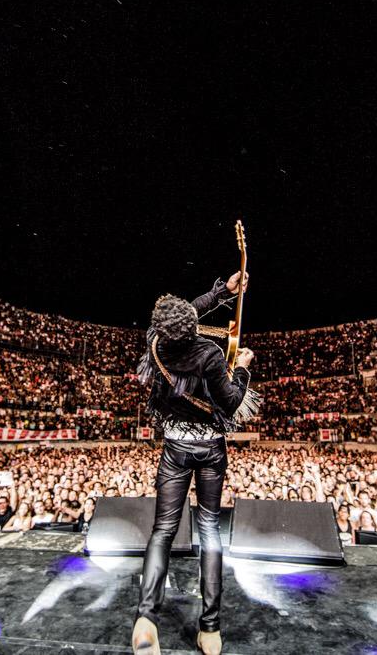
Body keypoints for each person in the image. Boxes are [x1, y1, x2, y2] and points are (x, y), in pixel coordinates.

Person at [132, 271, 257, 655]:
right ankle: (210, 629)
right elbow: (233, 401)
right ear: (194, 329)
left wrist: (223, 292)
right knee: (210, 531)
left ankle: (146, 618)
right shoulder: (209, 354)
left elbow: (186, 313)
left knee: (163, 530)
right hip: (209, 451)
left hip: (174, 446)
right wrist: (243, 366)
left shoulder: (156, 342)